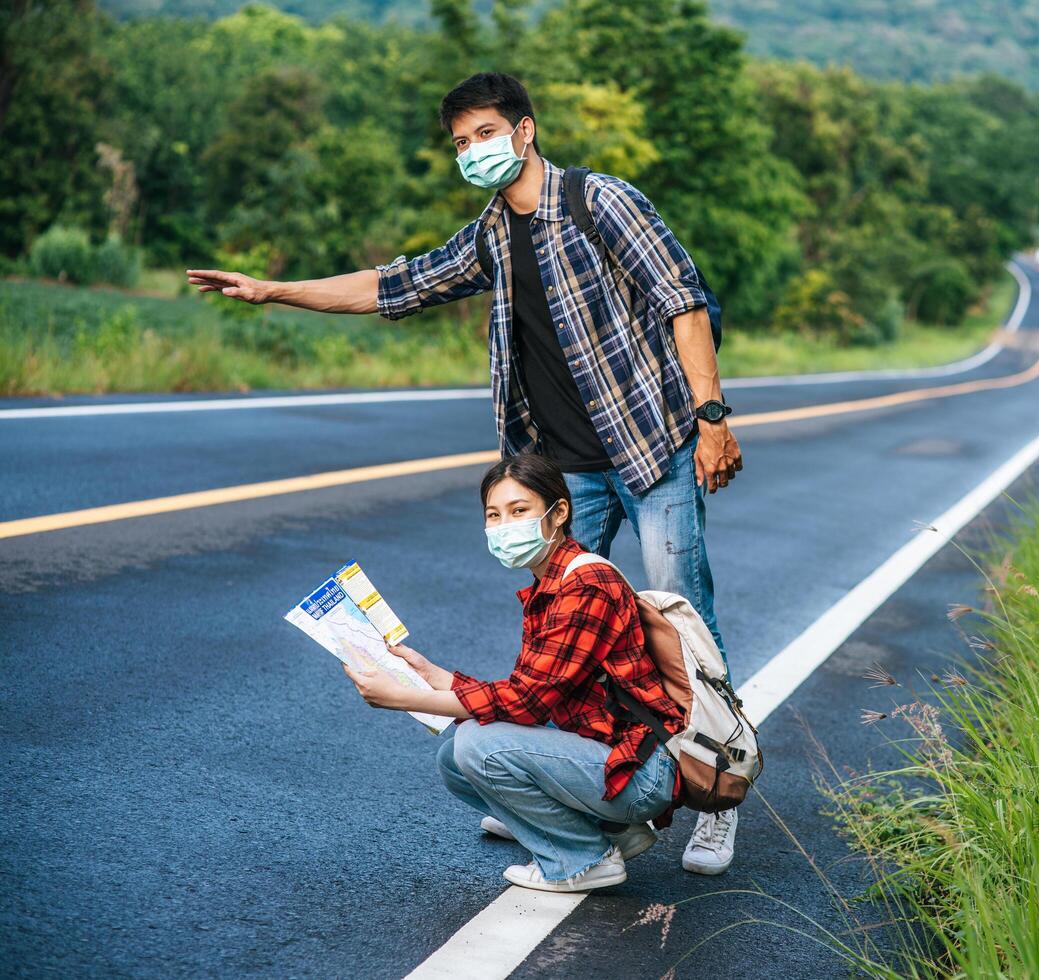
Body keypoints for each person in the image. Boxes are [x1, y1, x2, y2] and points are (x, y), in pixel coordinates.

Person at [187, 72, 744, 873]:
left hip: (650, 449)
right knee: (563, 634)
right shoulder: (489, 235)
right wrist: (273, 290)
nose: (472, 151)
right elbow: (392, 284)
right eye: (459, 142)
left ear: (524, 130)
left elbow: (680, 299)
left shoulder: (601, 202)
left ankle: (717, 793)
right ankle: (576, 798)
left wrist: (711, 419)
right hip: (565, 476)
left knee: (683, 631)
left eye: (483, 133)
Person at [341, 454, 684, 893]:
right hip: (608, 757)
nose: (505, 525)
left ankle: (581, 860)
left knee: (477, 746)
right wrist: (430, 673)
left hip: (638, 772)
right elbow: (526, 696)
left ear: (558, 513)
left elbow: (525, 703)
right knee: (455, 760)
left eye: (519, 511)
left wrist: (403, 698)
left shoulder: (585, 585)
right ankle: (614, 831)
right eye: (493, 515)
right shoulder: (552, 583)